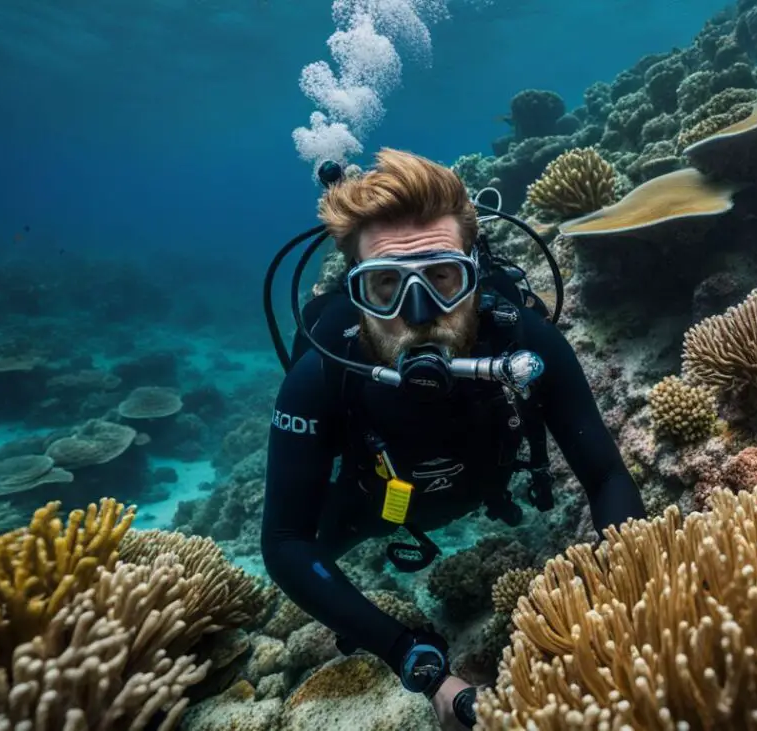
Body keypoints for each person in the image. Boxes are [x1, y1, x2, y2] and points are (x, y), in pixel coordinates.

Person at [261, 148, 646, 729]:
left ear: (473, 272)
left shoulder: (525, 341)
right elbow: (286, 541)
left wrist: (633, 596)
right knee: (310, 556)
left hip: (486, 481)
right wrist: (412, 657)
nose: (419, 314)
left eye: (442, 277)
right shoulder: (321, 373)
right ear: (354, 289)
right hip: (376, 503)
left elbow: (607, 475)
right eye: (385, 285)